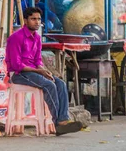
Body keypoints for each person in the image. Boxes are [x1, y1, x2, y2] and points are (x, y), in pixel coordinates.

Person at [5, 7, 82, 136]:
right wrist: (39, 72)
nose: (36, 22)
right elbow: (17, 65)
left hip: (33, 72)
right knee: (49, 85)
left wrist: (44, 71)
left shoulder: (37, 38)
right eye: (33, 19)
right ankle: (57, 123)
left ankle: (63, 120)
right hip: (18, 75)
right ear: (25, 20)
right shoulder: (16, 38)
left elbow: (38, 60)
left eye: (38, 19)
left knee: (60, 83)